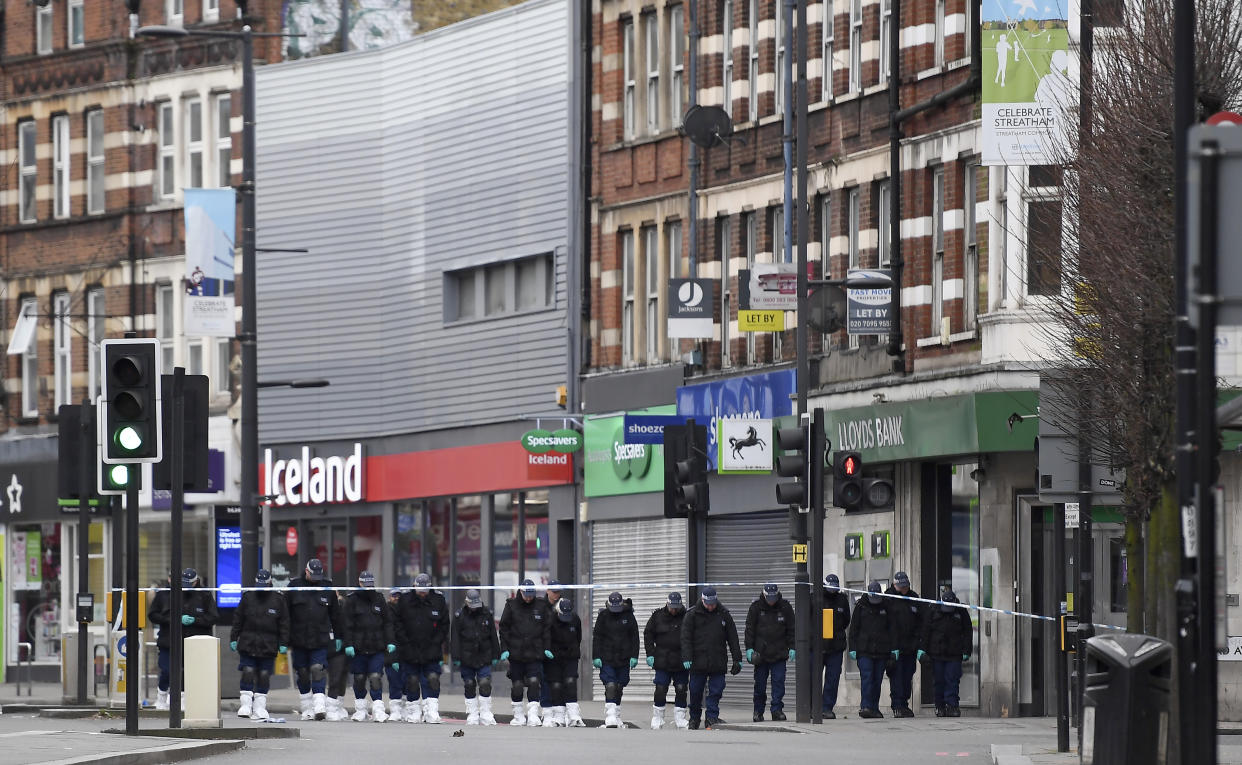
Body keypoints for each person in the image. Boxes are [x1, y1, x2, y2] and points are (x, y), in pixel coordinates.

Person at [148, 568, 219, 712]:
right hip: (169, 640)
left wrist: (196, 620)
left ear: (196, 582)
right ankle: (161, 697)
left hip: (194, 642)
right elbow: (153, 615)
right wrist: (174, 619)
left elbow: (213, 617)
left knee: (188, 672)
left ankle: (183, 699)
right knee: (167, 670)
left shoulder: (204, 595)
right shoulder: (166, 594)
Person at [229, 569, 289, 720]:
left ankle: (260, 706)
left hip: (268, 644)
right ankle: (246, 705)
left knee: (263, 674)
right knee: (248, 671)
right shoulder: (247, 597)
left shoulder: (278, 599)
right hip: (248, 642)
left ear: (270, 583)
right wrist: (233, 638)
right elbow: (238, 619)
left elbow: (284, 623)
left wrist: (284, 642)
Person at [681, 586, 742, 730]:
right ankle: (694, 718)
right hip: (697, 661)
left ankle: (711, 717)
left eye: (713, 604)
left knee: (716, 691)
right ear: (702, 600)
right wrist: (686, 657)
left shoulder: (723, 613)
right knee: (695, 692)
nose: (710, 607)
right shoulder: (692, 614)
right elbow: (685, 638)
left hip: (717, 661)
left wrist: (737, 658)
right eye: (708, 604)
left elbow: (733, 638)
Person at [287, 559, 342, 721]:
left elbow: (336, 616)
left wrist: (339, 636)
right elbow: (286, 615)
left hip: (320, 638)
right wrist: (284, 640)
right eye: (313, 574)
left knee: (317, 669)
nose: (317, 578)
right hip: (298, 639)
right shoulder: (294, 587)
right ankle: (307, 707)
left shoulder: (327, 587)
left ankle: (319, 705)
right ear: (306, 570)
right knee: (303, 673)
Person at [392, 573, 450, 723]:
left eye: (425, 589)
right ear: (414, 586)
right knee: (411, 680)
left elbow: (444, 625)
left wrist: (436, 642)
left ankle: (431, 711)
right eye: (420, 589)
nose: (423, 593)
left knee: (432, 679)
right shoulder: (404, 600)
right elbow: (397, 624)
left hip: (431, 648)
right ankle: (414, 711)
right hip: (409, 648)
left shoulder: (438, 600)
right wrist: (405, 643)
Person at [341, 571, 396, 722]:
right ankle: (360, 710)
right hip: (358, 648)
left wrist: (390, 641)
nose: (368, 588)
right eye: (365, 585)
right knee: (359, 678)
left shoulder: (379, 599)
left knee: (375, 677)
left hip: (376, 647)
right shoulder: (351, 601)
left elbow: (387, 623)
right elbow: (346, 625)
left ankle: (378, 710)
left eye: (370, 585)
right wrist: (348, 644)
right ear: (359, 583)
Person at [499, 578, 553, 726]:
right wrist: (504, 649)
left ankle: (533, 714)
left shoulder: (541, 605)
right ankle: (518, 715)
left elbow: (546, 630)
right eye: (526, 595)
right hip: (516, 653)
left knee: (535, 682)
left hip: (535, 653)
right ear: (521, 592)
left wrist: (547, 648)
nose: (529, 598)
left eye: (531, 595)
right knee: (517, 684)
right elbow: (504, 629)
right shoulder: (511, 605)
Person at [745, 583, 795, 722]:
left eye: (773, 598)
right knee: (760, 685)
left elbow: (792, 629)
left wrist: (793, 647)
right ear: (764, 595)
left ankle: (777, 710)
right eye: (769, 598)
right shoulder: (755, 608)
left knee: (778, 683)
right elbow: (749, 630)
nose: (771, 601)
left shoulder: (785, 607)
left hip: (779, 653)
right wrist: (749, 648)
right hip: (761, 655)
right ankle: (758, 711)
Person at [451, 588, 501, 726]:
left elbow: (493, 635)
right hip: (466, 656)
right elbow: (454, 638)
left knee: (485, 683)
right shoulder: (459, 616)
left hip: (484, 655)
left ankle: (485, 713)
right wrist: (455, 656)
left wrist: (496, 653)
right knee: (469, 684)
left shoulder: (486, 613)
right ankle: (472, 713)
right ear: (467, 602)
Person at [920, 589, 972, 717]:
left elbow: (967, 632)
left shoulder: (961, 611)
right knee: (938, 681)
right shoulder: (933, 610)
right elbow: (925, 631)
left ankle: (952, 706)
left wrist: (967, 650)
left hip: (954, 653)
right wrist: (922, 649)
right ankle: (940, 706)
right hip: (936, 652)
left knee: (952, 680)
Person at [849, 580, 897, 719]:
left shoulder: (886, 606)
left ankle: (874, 708)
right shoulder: (861, 606)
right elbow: (854, 629)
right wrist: (853, 647)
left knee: (877, 680)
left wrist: (894, 649)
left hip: (882, 650)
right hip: (865, 650)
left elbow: (892, 629)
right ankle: (865, 707)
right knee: (867, 678)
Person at [592, 591, 639, 728]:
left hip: (624, 657)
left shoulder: (629, 615)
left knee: (619, 686)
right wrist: (596, 656)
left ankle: (617, 714)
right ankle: (610, 715)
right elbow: (597, 637)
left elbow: (634, 637)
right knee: (611, 685)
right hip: (607, 657)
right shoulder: (603, 616)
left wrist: (634, 656)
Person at [643, 591, 689, 730]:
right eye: (672, 607)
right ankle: (658, 717)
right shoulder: (657, 616)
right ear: (667, 604)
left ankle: (680, 718)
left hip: (681, 660)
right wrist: (650, 653)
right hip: (662, 660)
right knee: (661, 688)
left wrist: (690, 656)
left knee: (681, 689)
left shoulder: (687, 616)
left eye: (677, 607)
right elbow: (648, 634)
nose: (674, 610)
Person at [885, 571, 925, 717]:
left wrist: (919, 645)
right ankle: (897, 705)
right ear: (894, 585)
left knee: (907, 677)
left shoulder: (914, 598)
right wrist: (890, 647)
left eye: (905, 586)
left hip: (910, 646)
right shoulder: (888, 598)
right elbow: (886, 625)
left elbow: (922, 622)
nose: (903, 589)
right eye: (900, 587)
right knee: (897, 678)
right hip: (894, 647)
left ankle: (904, 704)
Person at [545, 597, 584, 727]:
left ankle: (574, 715)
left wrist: (573, 650)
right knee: (556, 685)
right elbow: (546, 637)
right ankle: (559, 716)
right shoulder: (551, 620)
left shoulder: (575, 619)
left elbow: (578, 637)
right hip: (554, 657)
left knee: (570, 682)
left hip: (571, 656)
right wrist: (548, 650)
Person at [820, 574, 851, 720]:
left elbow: (846, 620)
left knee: (832, 679)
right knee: (813, 678)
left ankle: (826, 708)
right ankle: (813, 706)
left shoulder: (842, 599)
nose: (832, 591)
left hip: (836, 647)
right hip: (818, 646)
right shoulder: (816, 598)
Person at [539, 581, 565, 712]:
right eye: (554, 592)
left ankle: (561, 709)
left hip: (559, 649)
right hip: (544, 648)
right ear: (547, 591)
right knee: (544, 680)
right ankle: (546, 709)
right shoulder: (540, 606)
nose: (556, 595)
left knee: (561, 680)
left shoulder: (564, 605)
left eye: (558, 592)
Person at [383, 588, 406, 722]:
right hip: (390, 653)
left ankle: (404, 709)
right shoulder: (386, 612)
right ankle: (395, 710)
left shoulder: (406, 612)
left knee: (406, 682)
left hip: (405, 653)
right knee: (394, 682)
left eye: (399, 596)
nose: (396, 598)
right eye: (394, 596)